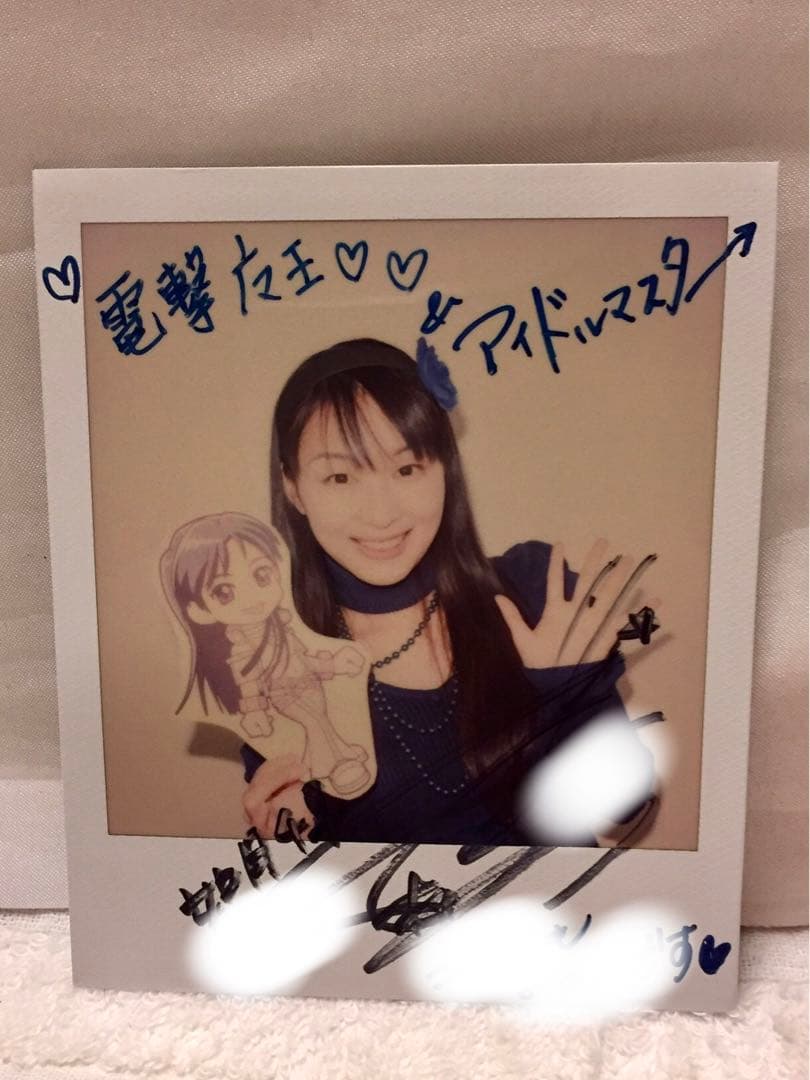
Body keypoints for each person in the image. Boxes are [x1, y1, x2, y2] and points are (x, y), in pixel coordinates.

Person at [241, 338, 657, 846]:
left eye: (406, 469)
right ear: (293, 489)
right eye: (340, 477)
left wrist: (568, 694)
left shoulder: (531, 593)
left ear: (444, 469)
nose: (381, 514)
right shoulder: (274, 666)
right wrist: (288, 834)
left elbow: (627, 808)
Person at [160, 512, 373, 803]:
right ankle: (333, 767)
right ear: (200, 611)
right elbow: (249, 681)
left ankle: (339, 754)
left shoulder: (283, 629)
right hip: (286, 694)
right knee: (314, 722)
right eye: (224, 591)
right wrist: (255, 711)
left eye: (261, 575)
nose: (252, 596)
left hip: (309, 683)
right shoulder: (243, 649)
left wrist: (333, 664)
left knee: (321, 720)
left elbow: (301, 657)